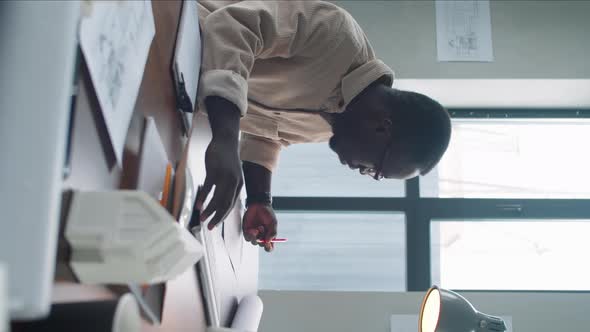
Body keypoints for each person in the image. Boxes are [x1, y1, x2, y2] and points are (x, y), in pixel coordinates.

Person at [194, 1, 451, 252]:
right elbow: (232, 27)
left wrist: (260, 198)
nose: (361, 170)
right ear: (382, 128)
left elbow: (270, 135)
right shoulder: (335, 35)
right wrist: (226, 139)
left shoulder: (335, 124)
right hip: (176, 32)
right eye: (376, 169)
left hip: (180, 95)